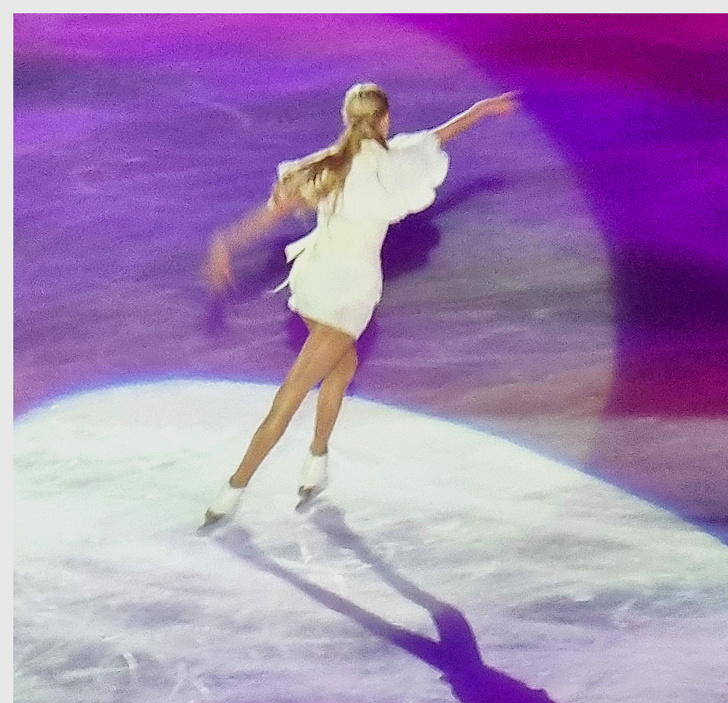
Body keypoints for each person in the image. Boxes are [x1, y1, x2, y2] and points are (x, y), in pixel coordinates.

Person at [201, 82, 517, 524]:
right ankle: (232, 491)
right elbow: (442, 134)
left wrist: (223, 243)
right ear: (384, 119)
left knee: (342, 367)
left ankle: (316, 462)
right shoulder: (396, 161)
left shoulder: (329, 166)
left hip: (313, 281)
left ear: (347, 119)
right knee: (291, 395)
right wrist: (483, 108)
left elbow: (270, 213)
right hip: (349, 292)